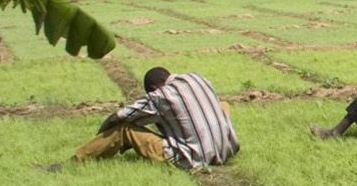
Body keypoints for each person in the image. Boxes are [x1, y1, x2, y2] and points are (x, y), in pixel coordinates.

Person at [73, 67, 238, 168]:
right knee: (222, 105)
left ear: (153, 88)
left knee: (123, 129)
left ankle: (77, 160)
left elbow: (116, 117)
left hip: (192, 158)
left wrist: (100, 138)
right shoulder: (198, 78)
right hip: (227, 150)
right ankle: (219, 141)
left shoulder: (159, 96)